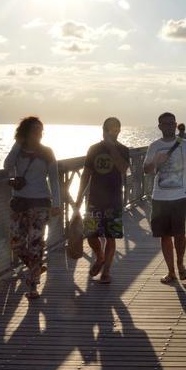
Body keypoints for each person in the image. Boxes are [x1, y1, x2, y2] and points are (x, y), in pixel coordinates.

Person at [3, 116, 62, 299]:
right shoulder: (18, 151)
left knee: (36, 243)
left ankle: (33, 286)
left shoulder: (47, 152)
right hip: (20, 202)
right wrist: (17, 143)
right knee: (16, 243)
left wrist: (57, 203)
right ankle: (35, 266)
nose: (38, 134)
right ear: (25, 132)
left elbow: (54, 178)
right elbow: (7, 165)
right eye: (35, 130)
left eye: (40, 130)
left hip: (40, 203)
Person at [143, 112, 186, 284]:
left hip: (179, 196)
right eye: (165, 124)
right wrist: (156, 161)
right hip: (159, 197)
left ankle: (180, 264)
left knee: (180, 234)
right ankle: (171, 272)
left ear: (175, 124)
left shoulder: (185, 145)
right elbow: (146, 170)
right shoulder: (154, 146)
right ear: (159, 126)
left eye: (171, 123)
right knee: (164, 236)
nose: (169, 126)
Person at [78, 117, 130, 284]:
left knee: (111, 236)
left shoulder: (123, 149)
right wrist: (78, 198)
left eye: (117, 129)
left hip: (114, 200)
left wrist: (112, 149)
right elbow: (86, 174)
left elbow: (123, 169)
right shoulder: (93, 149)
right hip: (94, 199)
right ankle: (100, 257)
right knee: (91, 235)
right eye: (111, 129)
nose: (114, 132)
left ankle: (106, 271)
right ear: (104, 130)